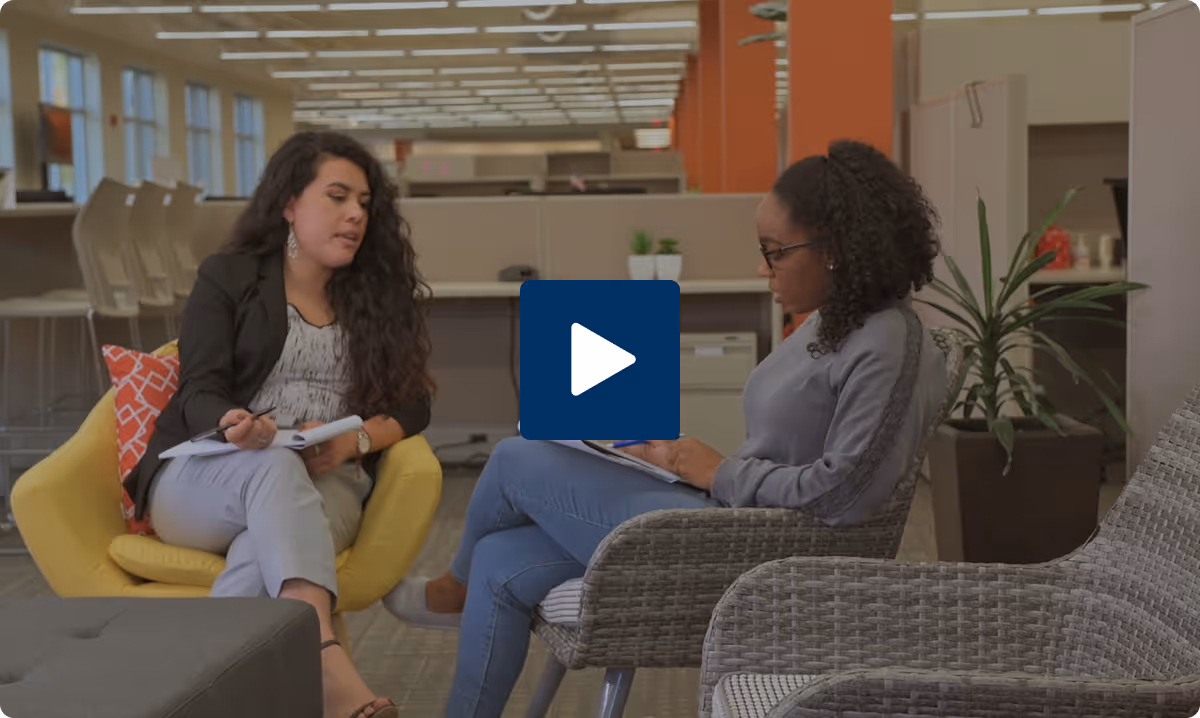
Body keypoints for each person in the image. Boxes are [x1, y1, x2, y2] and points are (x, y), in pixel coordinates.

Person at [383, 139, 949, 718]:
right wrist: (686, 464)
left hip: (752, 554)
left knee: (513, 458)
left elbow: (847, 496)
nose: (761, 267)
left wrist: (718, 471)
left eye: (774, 252)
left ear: (835, 250)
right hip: (726, 520)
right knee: (502, 561)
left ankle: (451, 586)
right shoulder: (836, 321)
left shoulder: (889, 345)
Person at [124, 131, 433, 718]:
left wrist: (354, 441)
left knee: (256, 553)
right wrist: (233, 422)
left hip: (326, 481)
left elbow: (414, 405)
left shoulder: (377, 295)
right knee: (269, 464)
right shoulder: (231, 276)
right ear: (289, 203)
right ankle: (323, 657)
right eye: (337, 197)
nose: (354, 215)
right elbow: (198, 388)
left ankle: (197, 697)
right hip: (212, 474)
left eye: (364, 203)